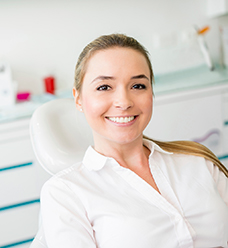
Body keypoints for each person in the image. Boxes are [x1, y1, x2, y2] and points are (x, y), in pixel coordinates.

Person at [40, 34, 228, 247]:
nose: (124, 102)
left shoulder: (198, 161)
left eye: (138, 86)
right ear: (78, 99)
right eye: (104, 87)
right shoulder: (65, 193)